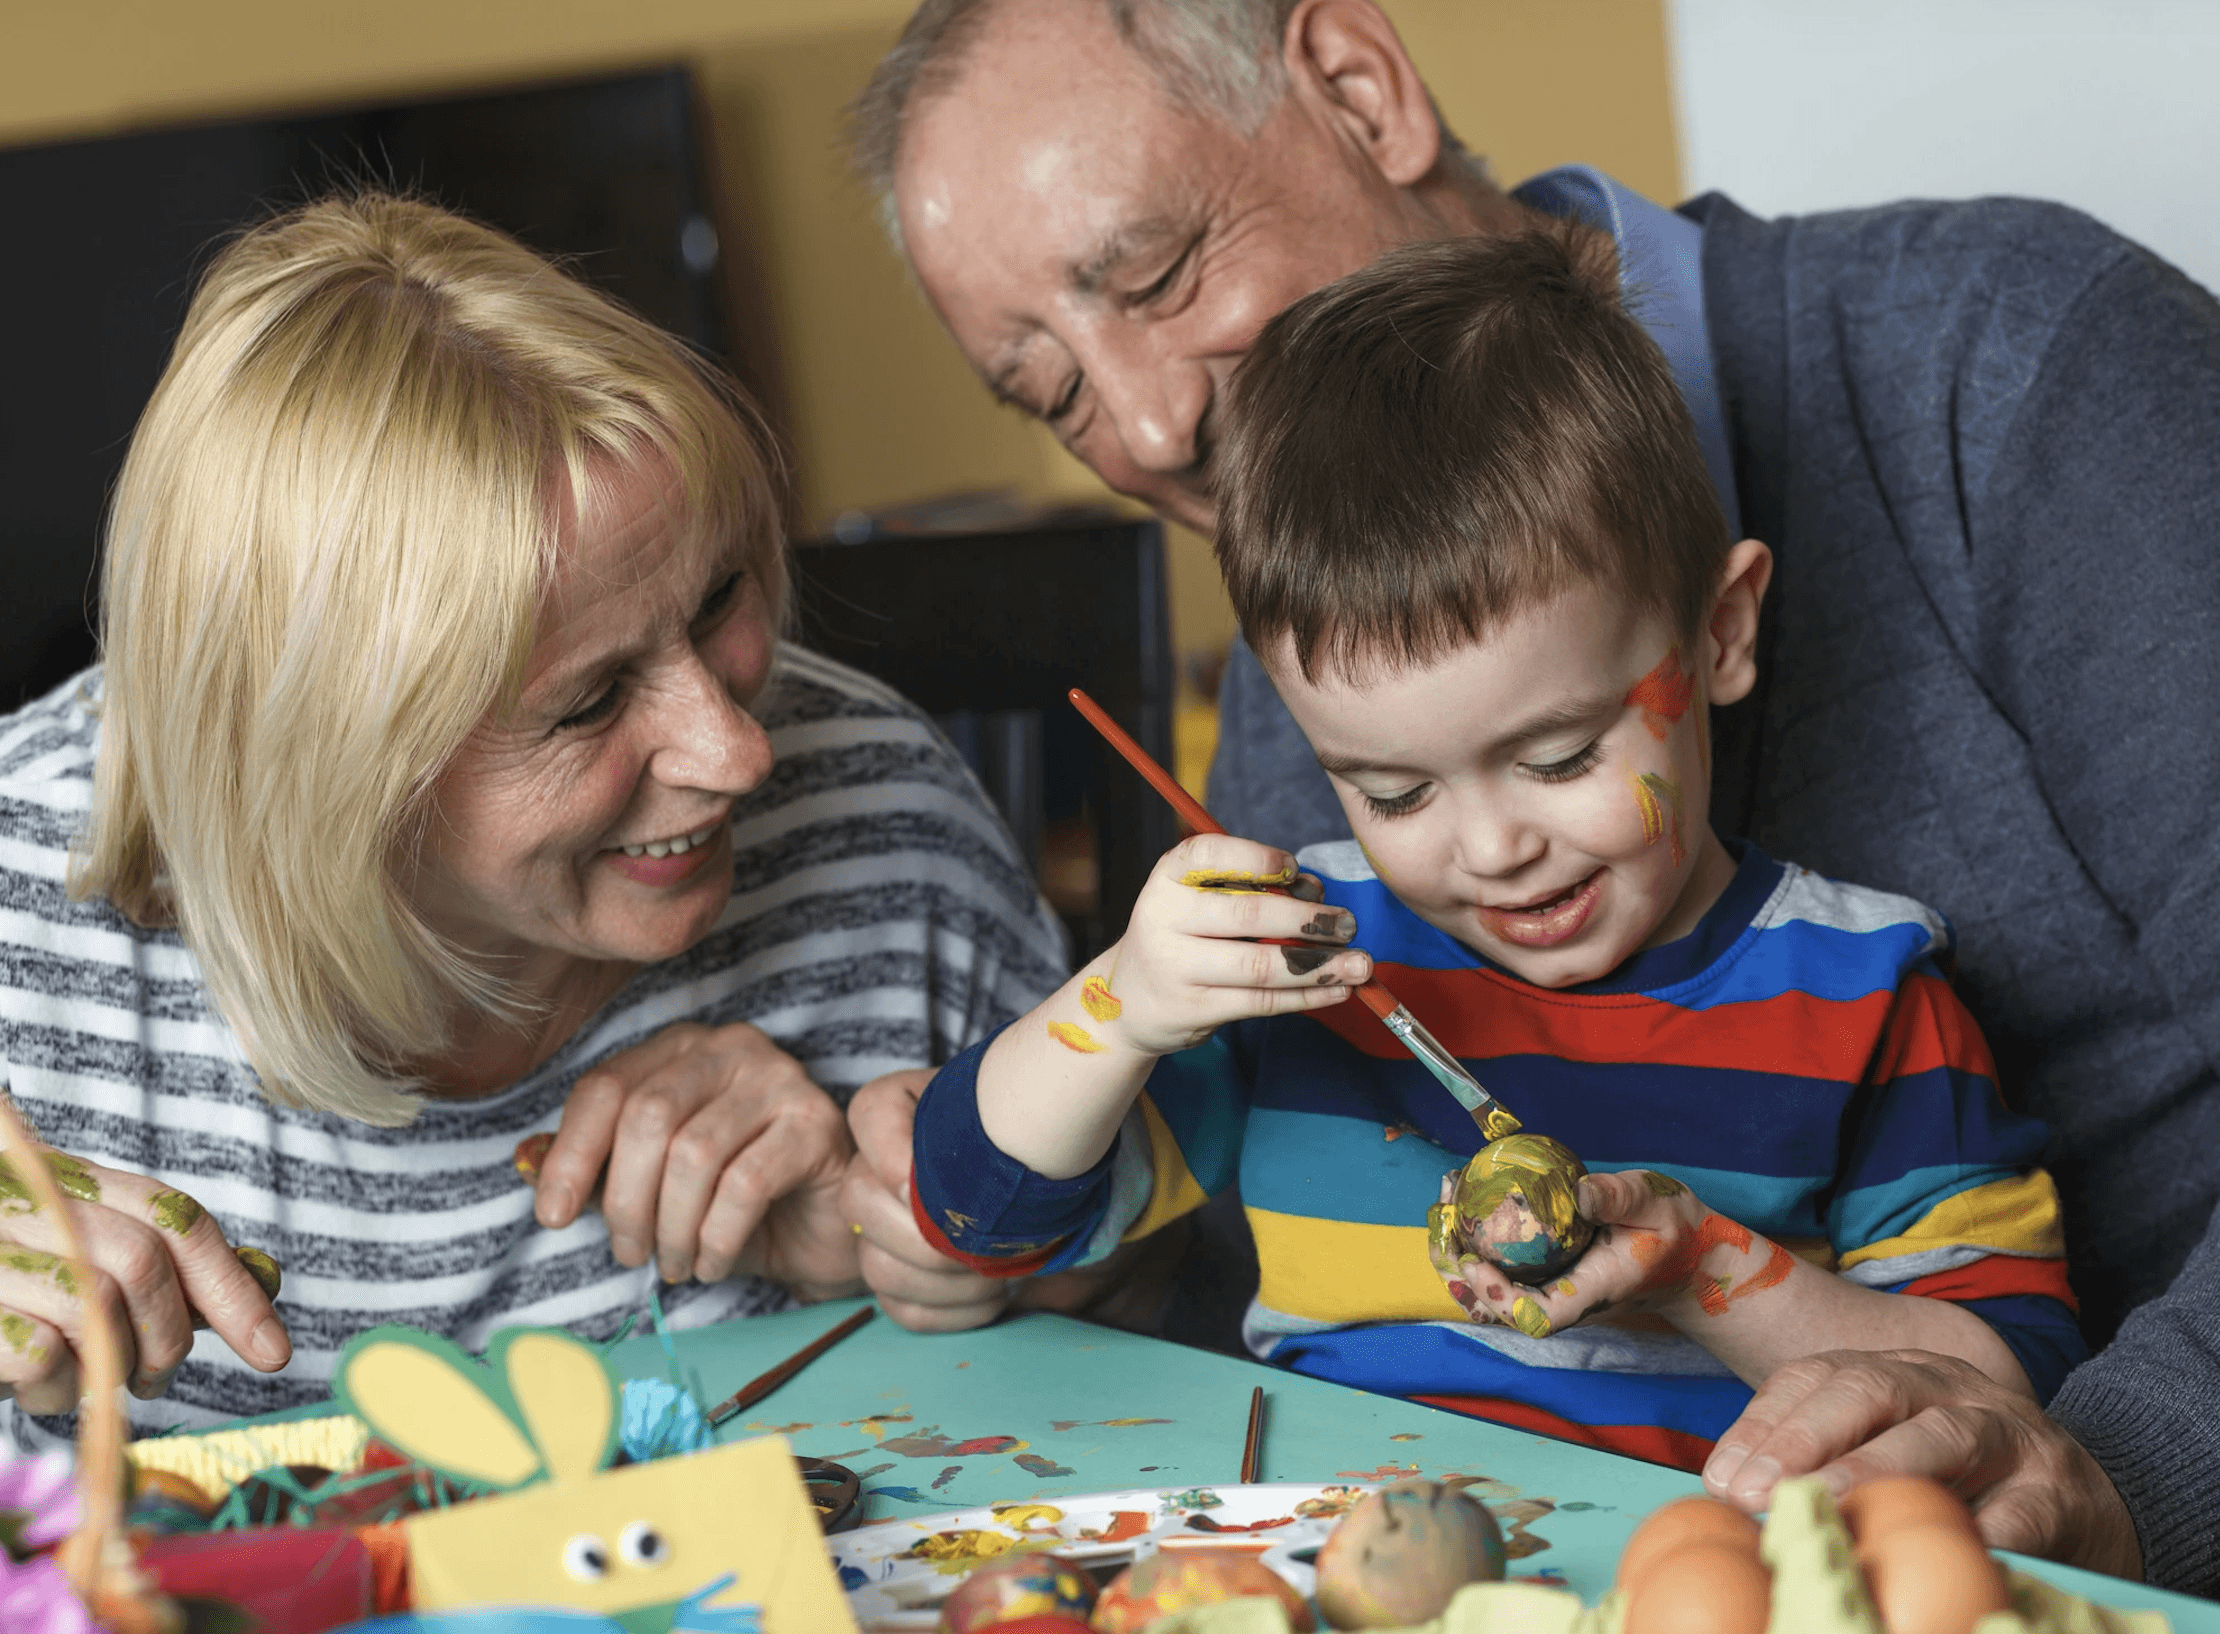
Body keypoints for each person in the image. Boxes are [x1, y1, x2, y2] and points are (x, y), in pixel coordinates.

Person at [843, 0, 2220, 1587]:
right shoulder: (1314, 811)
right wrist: (995, 1169)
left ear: (1360, 89)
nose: (1150, 428)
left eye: (1154, 278)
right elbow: (1216, 1249)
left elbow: (1983, 1381)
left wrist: (2115, 1483)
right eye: (1050, 393)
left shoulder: (2011, 362)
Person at [901, 229, 2082, 1472]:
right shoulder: (1306, 963)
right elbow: (982, 1218)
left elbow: (2005, 1392)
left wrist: (1699, 1263)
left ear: (1722, 632)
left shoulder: (1864, 996)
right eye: (1393, 790)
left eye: (1562, 757)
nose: (1493, 846)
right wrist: (1123, 1003)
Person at [0, 192, 1064, 1440]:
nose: (737, 751)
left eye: (720, 594)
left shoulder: (877, 802)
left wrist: (926, 1241)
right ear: (324, 767)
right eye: (585, 703)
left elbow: (1141, 1301)